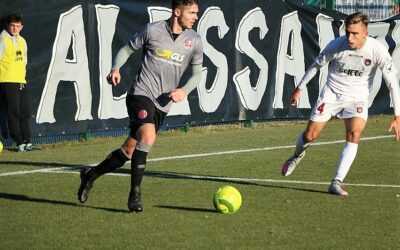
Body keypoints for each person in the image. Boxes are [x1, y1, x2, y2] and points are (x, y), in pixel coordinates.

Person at [77, 0, 203, 212]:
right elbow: (126, 49)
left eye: (196, 13)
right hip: (140, 94)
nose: (195, 17)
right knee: (148, 137)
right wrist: (115, 68)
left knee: (129, 150)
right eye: (192, 12)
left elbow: (198, 75)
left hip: (163, 104)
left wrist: (184, 90)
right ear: (177, 11)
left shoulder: (195, 40)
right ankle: (135, 195)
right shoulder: (152, 30)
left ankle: (91, 174)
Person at [281, 12, 400, 196]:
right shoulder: (336, 46)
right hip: (331, 94)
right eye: (348, 33)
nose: (350, 38)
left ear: (365, 33)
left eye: (355, 34)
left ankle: (336, 182)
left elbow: (392, 83)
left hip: (357, 97)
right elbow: (315, 66)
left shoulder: (378, 50)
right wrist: (299, 88)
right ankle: (297, 155)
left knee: (354, 133)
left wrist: (397, 115)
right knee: (310, 135)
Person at [0, 13, 35, 152]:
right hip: (7, 81)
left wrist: (22, 77)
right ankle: (19, 142)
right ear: (8, 26)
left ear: (21, 27)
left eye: (17, 26)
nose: (15, 28)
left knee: (25, 112)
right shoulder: (2, 40)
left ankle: (28, 141)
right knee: (13, 113)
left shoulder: (22, 41)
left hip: (21, 81)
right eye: (12, 25)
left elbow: (24, 61)